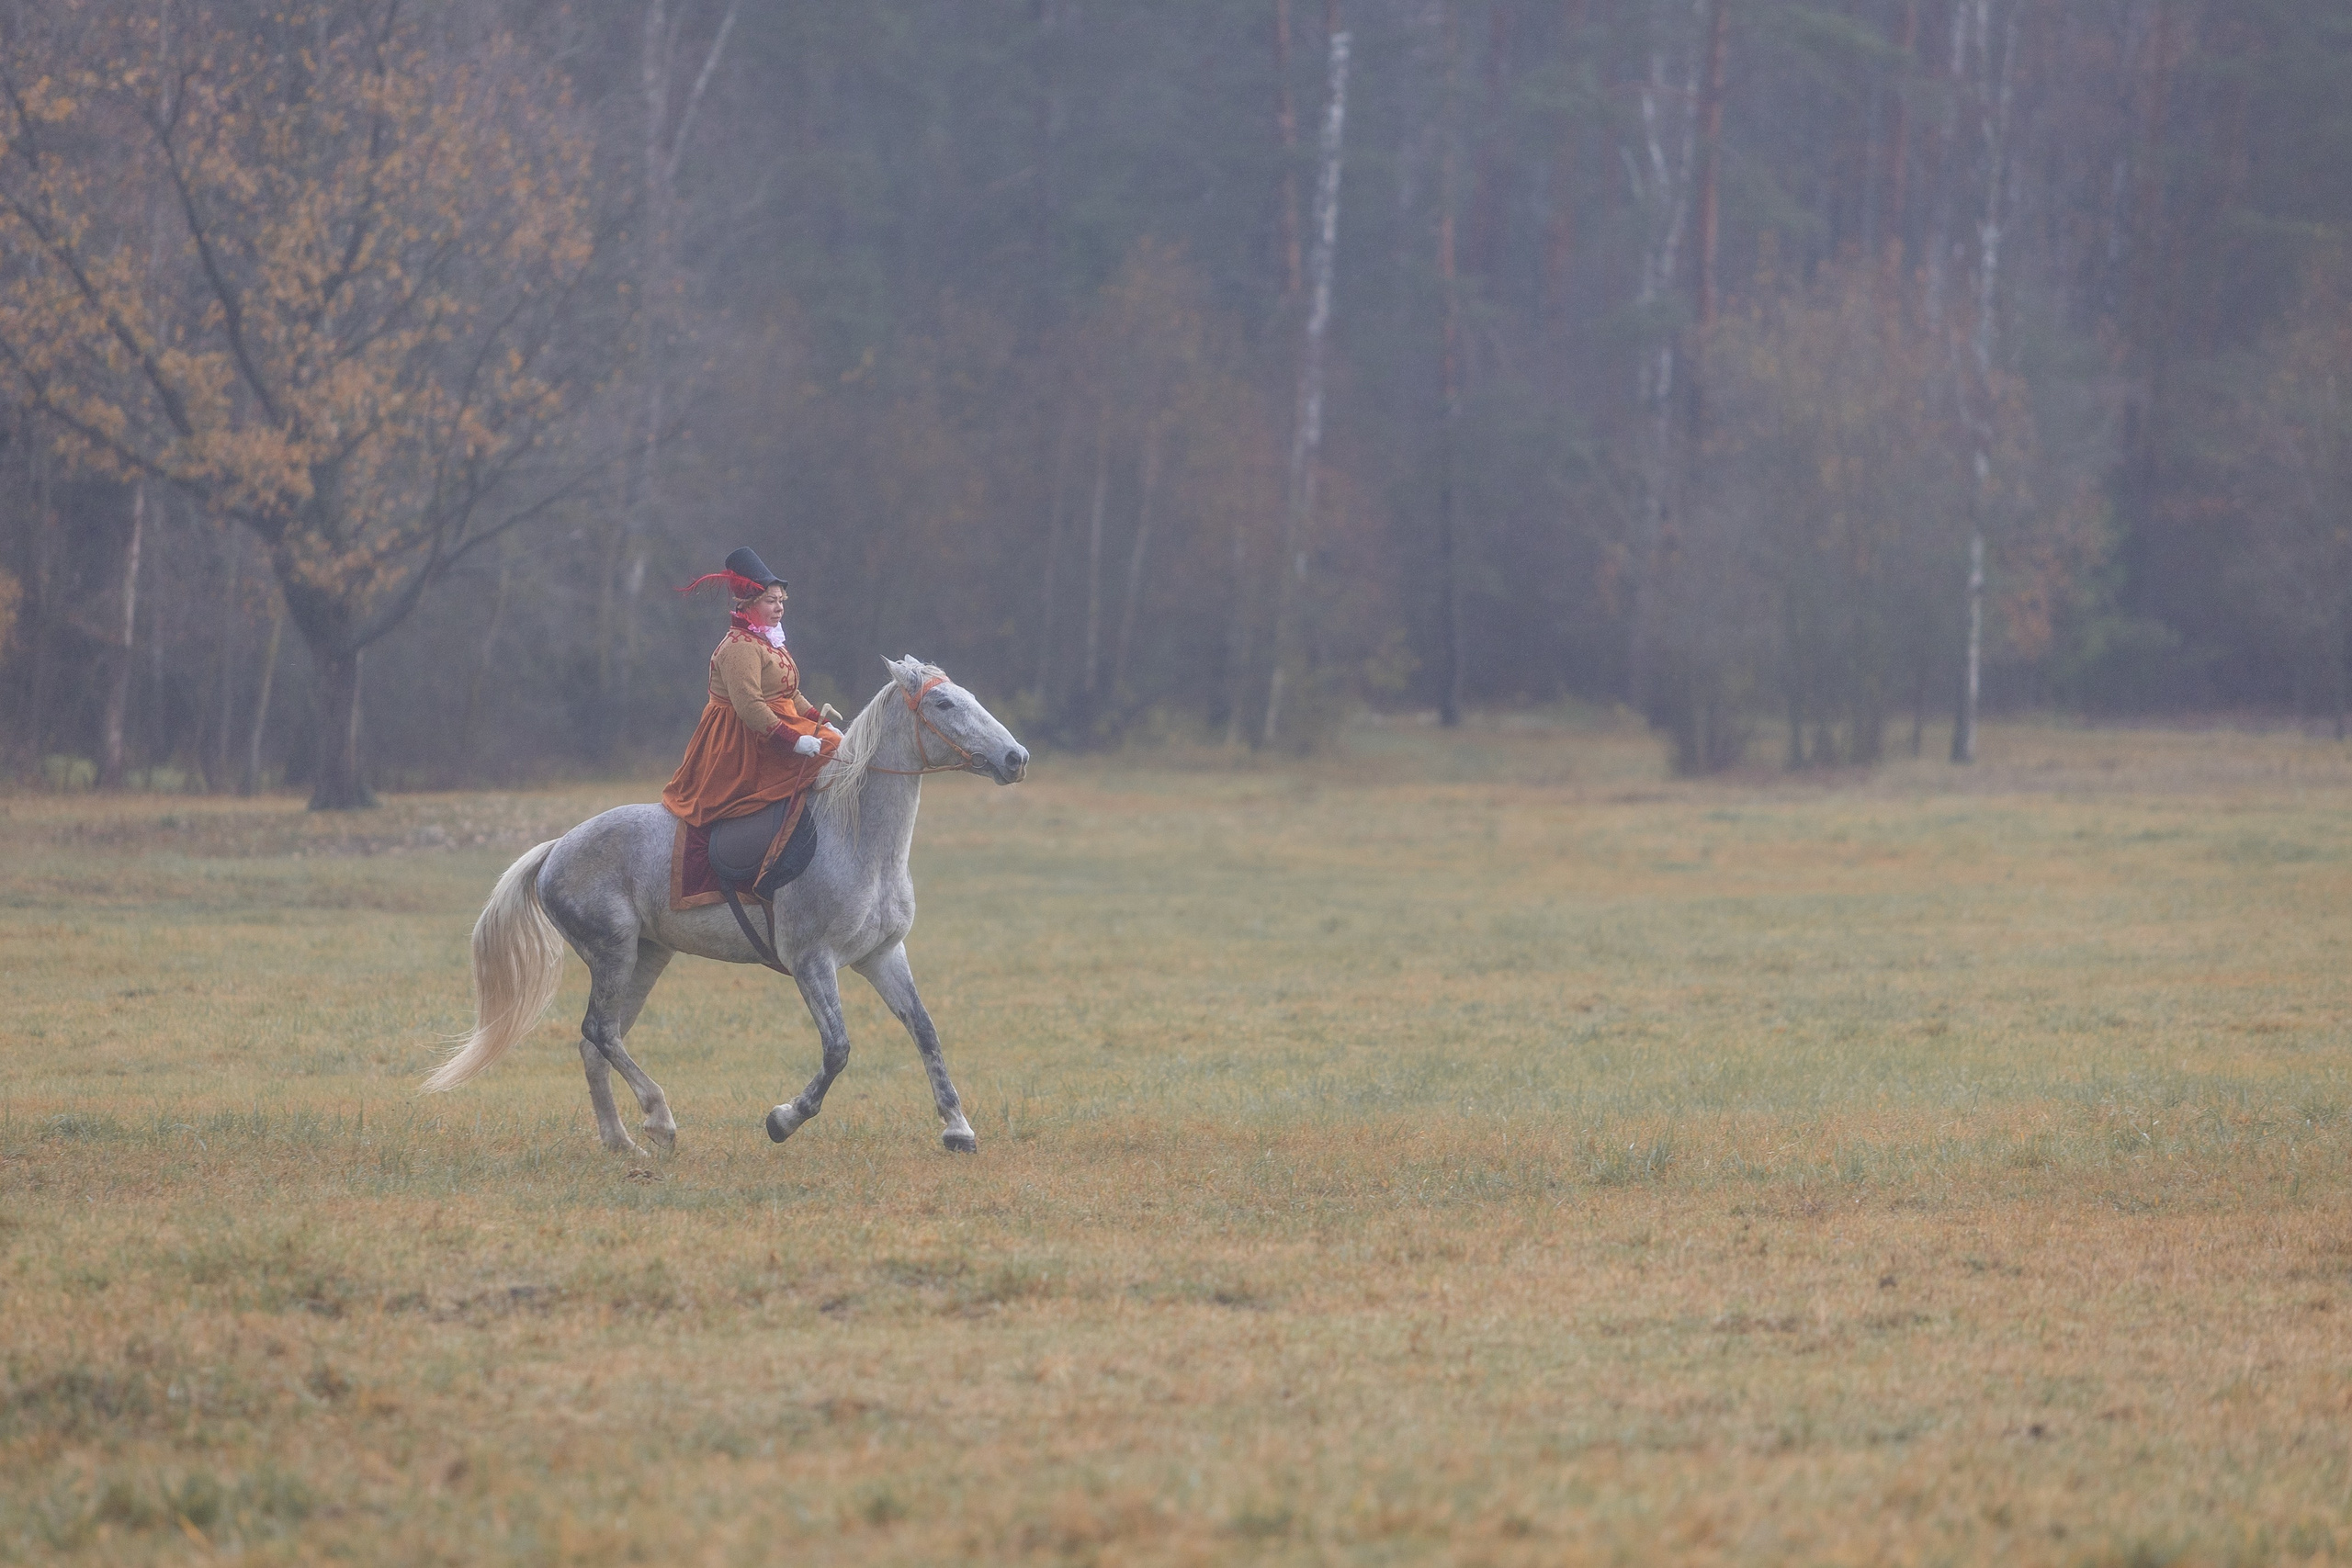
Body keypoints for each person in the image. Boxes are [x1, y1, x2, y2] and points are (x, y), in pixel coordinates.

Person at [661, 547, 843, 828]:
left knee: (835, 744)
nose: (779, 607)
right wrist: (794, 740)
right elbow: (750, 707)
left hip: (776, 724)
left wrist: (821, 721)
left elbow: (790, 693)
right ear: (749, 604)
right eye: (771, 601)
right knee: (827, 751)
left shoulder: (768, 641)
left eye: (781, 600)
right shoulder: (739, 647)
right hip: (741, 740)